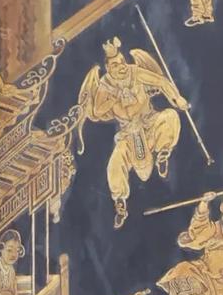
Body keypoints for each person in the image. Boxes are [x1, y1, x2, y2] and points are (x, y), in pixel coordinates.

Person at [75, 38, 188, 228]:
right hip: (128, 133)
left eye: (122, 61)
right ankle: (120, 201)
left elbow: (161, 82)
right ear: (108, 68)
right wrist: (115, 96)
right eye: (115, 65)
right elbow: (97, 111)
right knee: (116, 162)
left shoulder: (135, 72)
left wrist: (177, 98)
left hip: (149, 122)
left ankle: (163, 153)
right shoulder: (104, 86)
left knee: (170, 117)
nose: (121, 66)